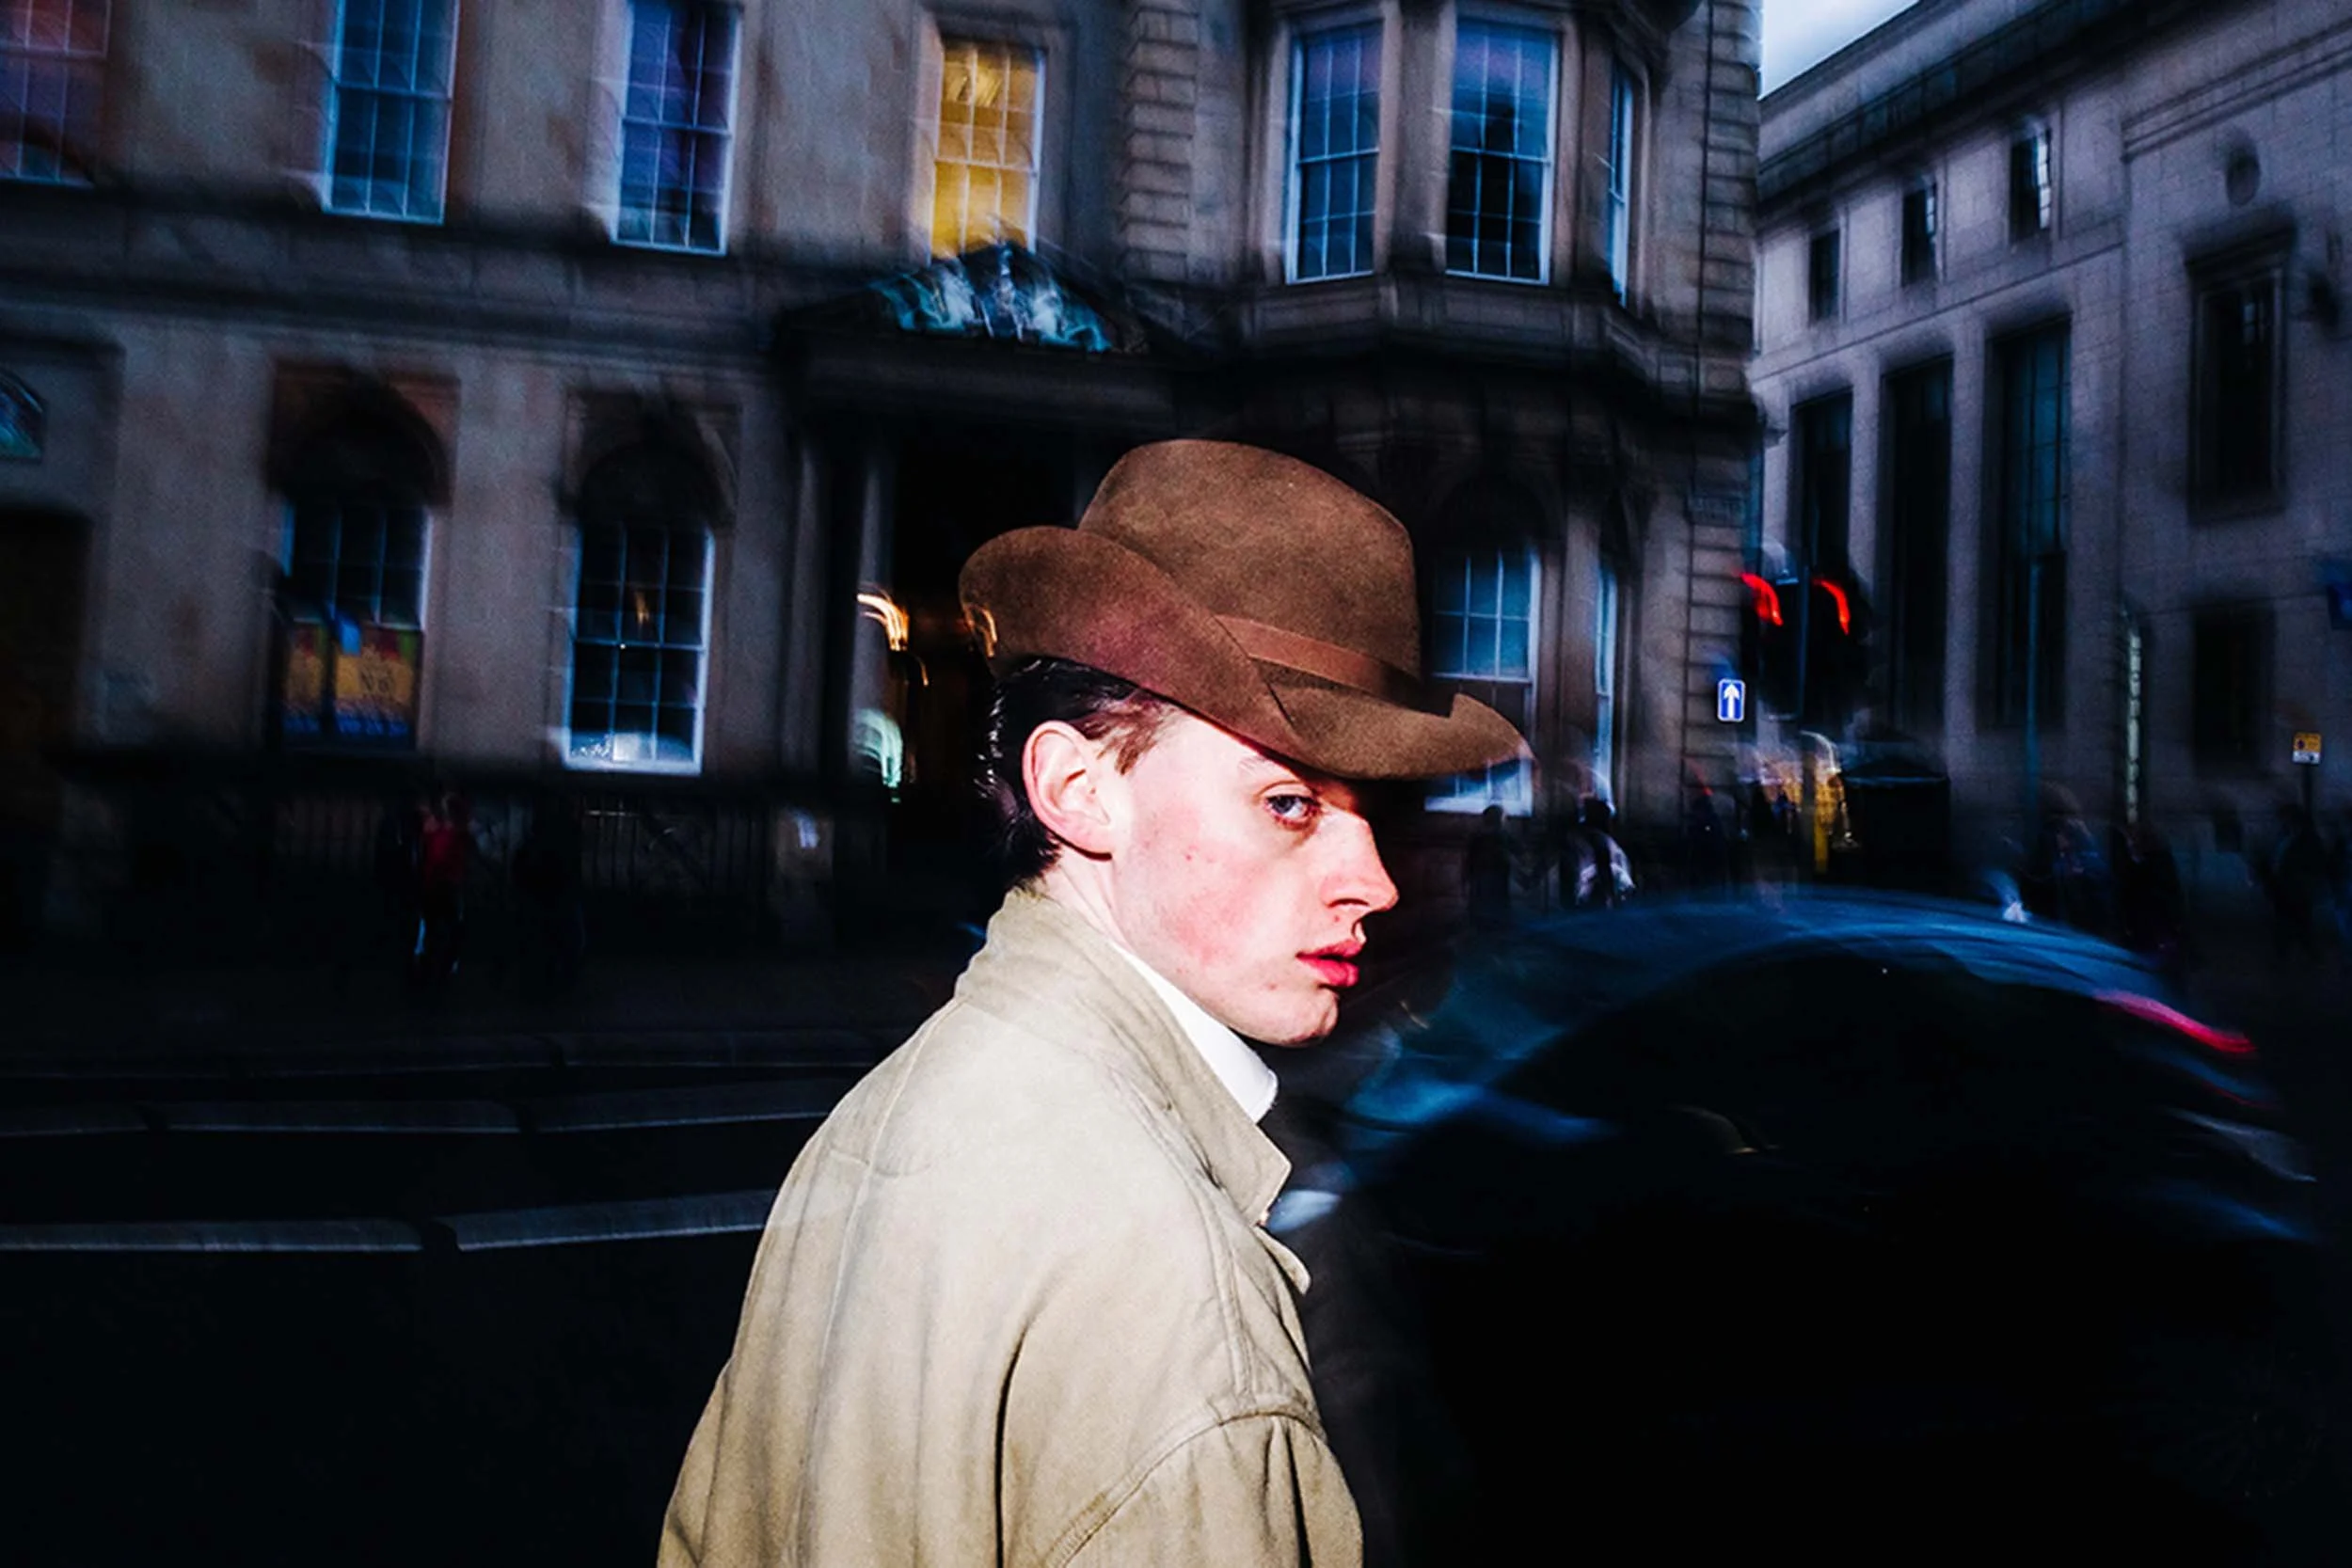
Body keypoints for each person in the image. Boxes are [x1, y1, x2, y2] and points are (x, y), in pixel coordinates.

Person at [660, 440, 1525, 1567]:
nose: (1376, 881)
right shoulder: (1179, 1295)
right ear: (1076, 788)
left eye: (1373, 809)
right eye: (1289, 802)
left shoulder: (892, 1108)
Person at [1462, 802, 1514, 928]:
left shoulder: (1476, 835)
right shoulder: (1503, 835)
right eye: (1504, 817)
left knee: (1480, 900)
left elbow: (1469, 857)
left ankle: (1480, 924)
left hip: (1480, 874)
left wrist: (1465, 875)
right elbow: (1518, 850)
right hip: (1496, 874)